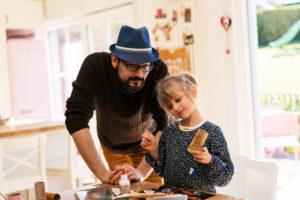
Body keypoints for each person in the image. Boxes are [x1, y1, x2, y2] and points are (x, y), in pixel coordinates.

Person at [65, 25, 168, 184]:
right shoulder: (95, 67)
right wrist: (102, 174)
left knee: (156, 193)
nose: (140, 74)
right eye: (132, 66)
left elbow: (165, 122)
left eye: (145, 66)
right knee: (124, 191)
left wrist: (142, 171)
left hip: (149, 142)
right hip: (113, 144)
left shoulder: (157, 69)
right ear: (115, 60)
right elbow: (75, 118)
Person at [141, 73, 234, 192]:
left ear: (193, 92)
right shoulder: (169, 131)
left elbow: (225, 178)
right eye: (169, 107)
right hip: (172, 196)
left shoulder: (212, 132)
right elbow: (163, 170)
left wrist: (210, 160)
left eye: (178, 100)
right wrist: (153, 150)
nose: (175, 107)